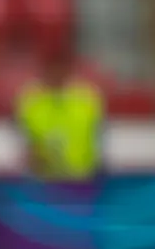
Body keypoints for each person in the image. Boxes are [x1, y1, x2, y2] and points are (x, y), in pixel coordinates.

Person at [16, 50, 104, 181]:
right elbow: (25, 139)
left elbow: (99, 136)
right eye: (52, 72)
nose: (56, 76)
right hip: (44, 178)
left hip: (83, 176)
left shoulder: (87, 98)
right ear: (45, 72)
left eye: (60, 71)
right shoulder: (30, 101)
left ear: (68, 72)